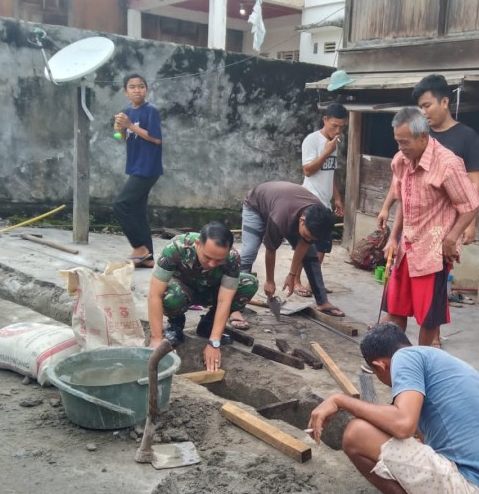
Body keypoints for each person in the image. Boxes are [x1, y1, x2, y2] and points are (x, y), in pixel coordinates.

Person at [308, 323, 479, 494]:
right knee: (394, 429)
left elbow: (403, 425)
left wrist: (340, 401)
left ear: (380, 365)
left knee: (357, 433)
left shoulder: (404, 359)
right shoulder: (434, 358)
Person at [379, 107, 479, 346]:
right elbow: (404, 199)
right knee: (395, 311)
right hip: (406, 249)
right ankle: (387, 357)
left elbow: (471, 204)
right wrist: (393, 238)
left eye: (405, 142)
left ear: (423, 137)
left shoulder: (447, 164)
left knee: (428, 322)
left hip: (433, 254)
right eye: (397, 142)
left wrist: (451, 238)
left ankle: (419, 366)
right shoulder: (400, 161)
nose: (401, 148)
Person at [147, 222, 258, 370]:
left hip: (212, 292)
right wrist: (156, 339)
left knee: (249, 283)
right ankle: (175, 324)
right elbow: (155, 294)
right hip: (183, 290)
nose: (212, 264)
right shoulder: (176, 248)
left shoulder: (232, 258)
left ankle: (208, 325)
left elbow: (225, 300)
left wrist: (214, 342)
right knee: (170, 296)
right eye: (208, 257)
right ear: (198, 244)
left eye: (219, 260)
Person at [239, 181, 344, 317]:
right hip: (255, 206)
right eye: (307, 235)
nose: (308, 240)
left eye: (313, 238)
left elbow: (305, 244)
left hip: (284, 205)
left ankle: (322, 302)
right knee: (248, 254)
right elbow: (271, 249)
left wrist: (292, 275)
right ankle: (235, 304)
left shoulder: (319, 215)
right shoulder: (280, 218)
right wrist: (270, 281)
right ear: (302, 220)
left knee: (311, 255)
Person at [295, 103, 348, 298]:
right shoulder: (312, 140)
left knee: (323, 245)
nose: (338, 130)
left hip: (325, 202)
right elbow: (308, 170)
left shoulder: (334, 141)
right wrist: (326, 151)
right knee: (306, 244)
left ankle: (313, 284)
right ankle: (296, 280)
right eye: (334, 125)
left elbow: (329, 171)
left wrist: (337, 198)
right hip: (310, 200)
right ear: (325, 119)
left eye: (342, 127)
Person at [113, 73, 163, 268]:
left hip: (148, 167)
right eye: (132, 87)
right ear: (126, 92)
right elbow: (121, 138)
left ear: (146, 89)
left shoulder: (151, 111)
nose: (137, 90)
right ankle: (148, 257)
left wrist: (130, 125)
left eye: (140, 86)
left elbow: (156, 139)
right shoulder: (127, 111)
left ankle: (139, 247)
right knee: (138, 210)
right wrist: (121, 129)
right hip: (135, 165)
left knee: (121, 205)